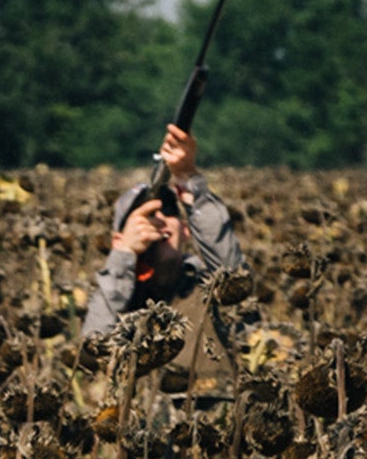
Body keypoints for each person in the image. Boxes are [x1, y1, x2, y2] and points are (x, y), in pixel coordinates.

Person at [80, 120, 246, 342]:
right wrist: (123, 257)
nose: (158, 218)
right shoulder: (115, 296)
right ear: (118, 239)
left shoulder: (208, 291)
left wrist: (189, 178)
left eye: (168, 208)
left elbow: (235, 279)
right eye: (143, 213)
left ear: (186, 229)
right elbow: (91, 348)